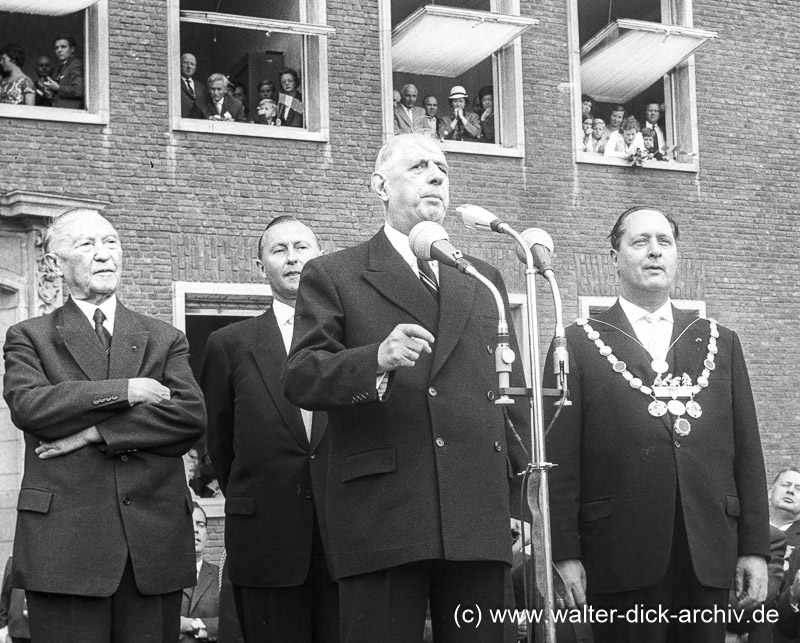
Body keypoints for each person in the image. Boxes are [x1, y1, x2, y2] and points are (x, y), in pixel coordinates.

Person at [283, 133, 530, 642]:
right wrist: (374, 358)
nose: (437, 175)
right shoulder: (335, 272)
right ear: (380, 185)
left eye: (442, 167)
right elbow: (302, 375)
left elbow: (513, 400)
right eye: (419, 167)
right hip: (385, 514)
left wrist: (517, 502)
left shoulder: (482, 278)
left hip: (478, 515)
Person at [544, 206, 770, 642]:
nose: (654, 252)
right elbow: (561, 460)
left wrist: (755, 549)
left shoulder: (719, 341)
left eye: (664, 242)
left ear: (676, 255)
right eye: (640, 241)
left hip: (708, 548)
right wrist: (564, 552)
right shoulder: (575, 342)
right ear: (614, 257)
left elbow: (748, 451)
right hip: (616, 550)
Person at [2, 208, 206, 642]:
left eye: (111, 242)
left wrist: (94, 433)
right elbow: (31, 406)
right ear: (56, 263)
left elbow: (189, 417)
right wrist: (127, 391)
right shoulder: (30, 336)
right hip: (65, 545)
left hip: (152, 544)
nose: (103, 254)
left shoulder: (164, 337)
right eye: (87, 244)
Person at [201, 216, 338, 642]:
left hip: (346, 539)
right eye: (279, 250)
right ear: (260, 266)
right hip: (266, 540)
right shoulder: (229, 343)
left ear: (320, 258)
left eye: (302, 247)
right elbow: (219, 444)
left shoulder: (349, 338)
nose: (293, 258)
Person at [180, 504, 220, 643]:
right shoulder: (161, 576)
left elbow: (229, 623)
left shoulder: (220, 576)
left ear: (206, 533)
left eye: (200, 524)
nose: (196, 530)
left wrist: (191, 625)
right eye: (189, 524)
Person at [43, 34, 84, 109]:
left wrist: (58, 88)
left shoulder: (75, 64)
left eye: (63, 47)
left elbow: (78, 91)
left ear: (72, 49)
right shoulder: (62, 67)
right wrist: (50, 92)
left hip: (72, 114)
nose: (59, 50)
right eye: (56, 48)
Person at [770, 468, 800, 559]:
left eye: (798, 489)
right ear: (770, 492)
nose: (790, 491)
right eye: (785, 485)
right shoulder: (748, 530)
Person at [0, 557, 29, 643]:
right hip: (19, 627)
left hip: (43, 626)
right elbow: (6, 594)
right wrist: (2, 625)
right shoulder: (14, 560)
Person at [180, 53, 209, 118]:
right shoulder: (176, 83)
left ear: (195, 68)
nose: (189, 66)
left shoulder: (201, 87)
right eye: (185, 62)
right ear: (180, 64)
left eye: (192, 64)